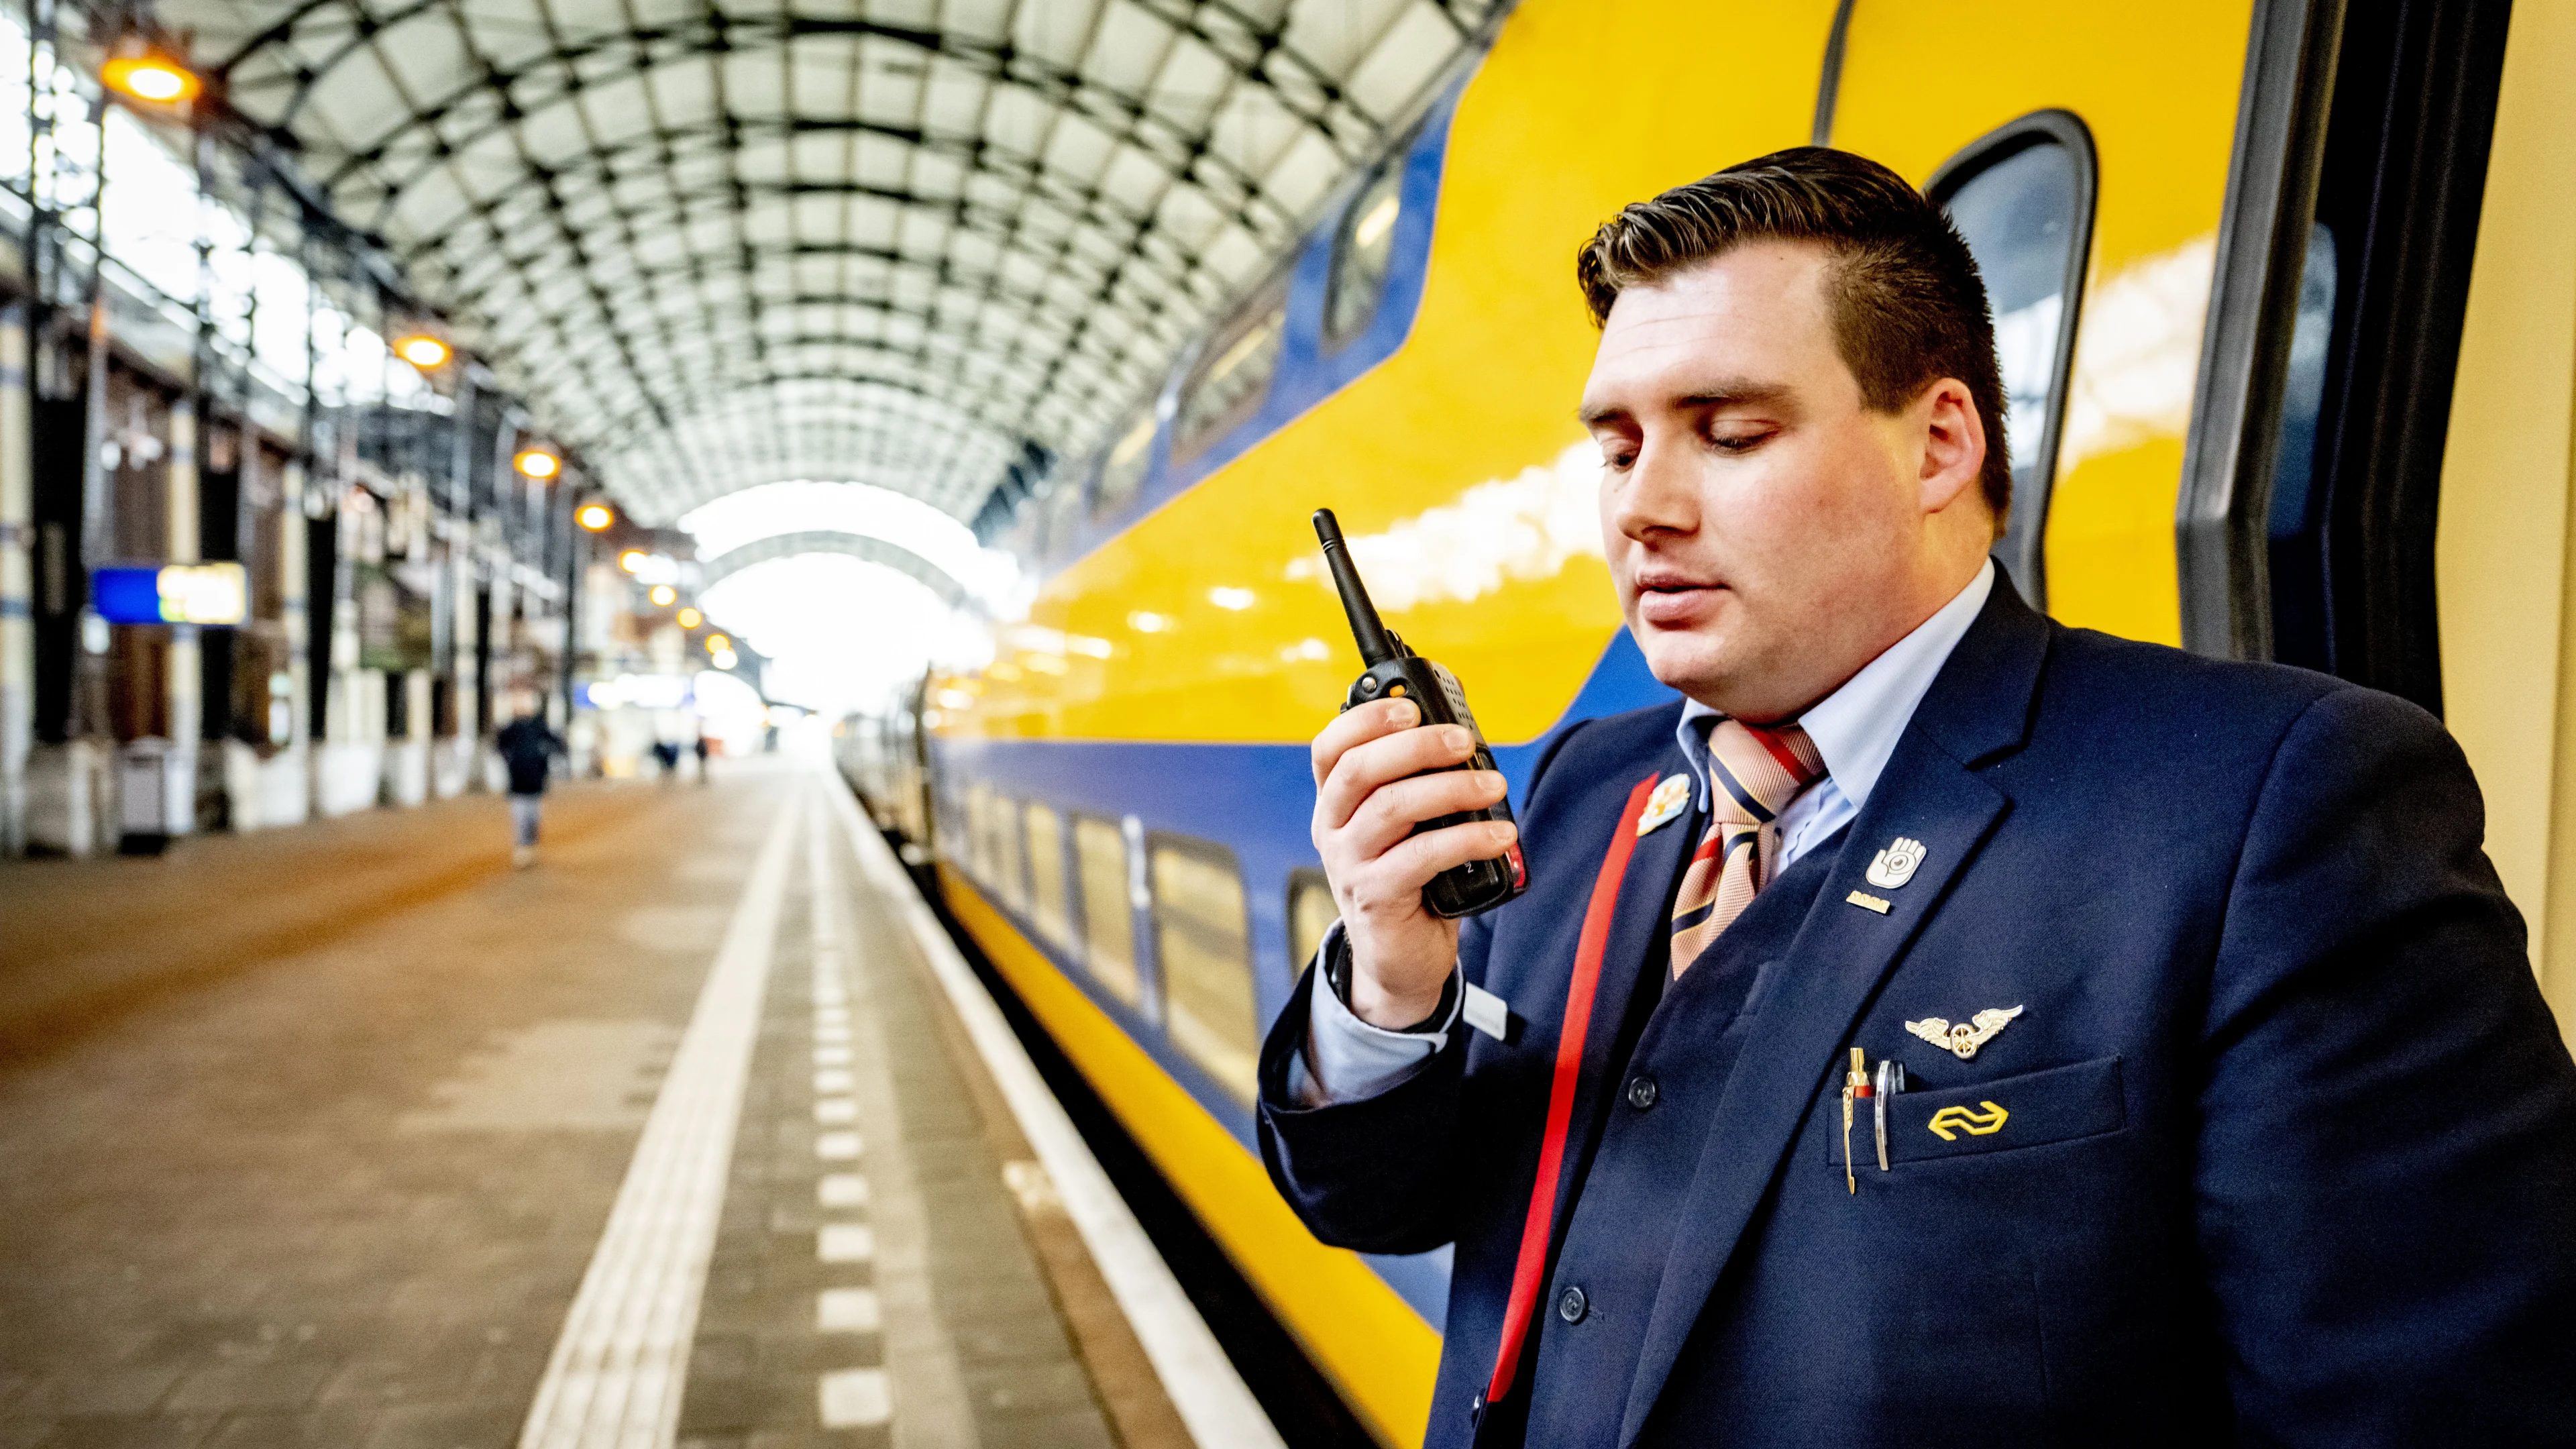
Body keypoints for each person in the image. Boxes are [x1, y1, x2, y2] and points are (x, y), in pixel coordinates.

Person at [1258, 148, 2576, 1448]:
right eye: (1615, 447)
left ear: (1941, 442)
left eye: (1729, 434)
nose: (1641, 510)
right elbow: (1387, 1199)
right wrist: (1390, 986)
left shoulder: (2273, 807)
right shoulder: (1581, 791)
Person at [494, 696, 564, 869]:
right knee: (519, 818)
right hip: (517, 782)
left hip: (535, 782)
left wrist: (544, 759)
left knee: (533, 818)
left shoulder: (539, 728)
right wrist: (510, 761)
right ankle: (522, 849)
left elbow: (557, 744)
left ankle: (531, 845)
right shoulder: (511, 729)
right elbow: (499, 746)